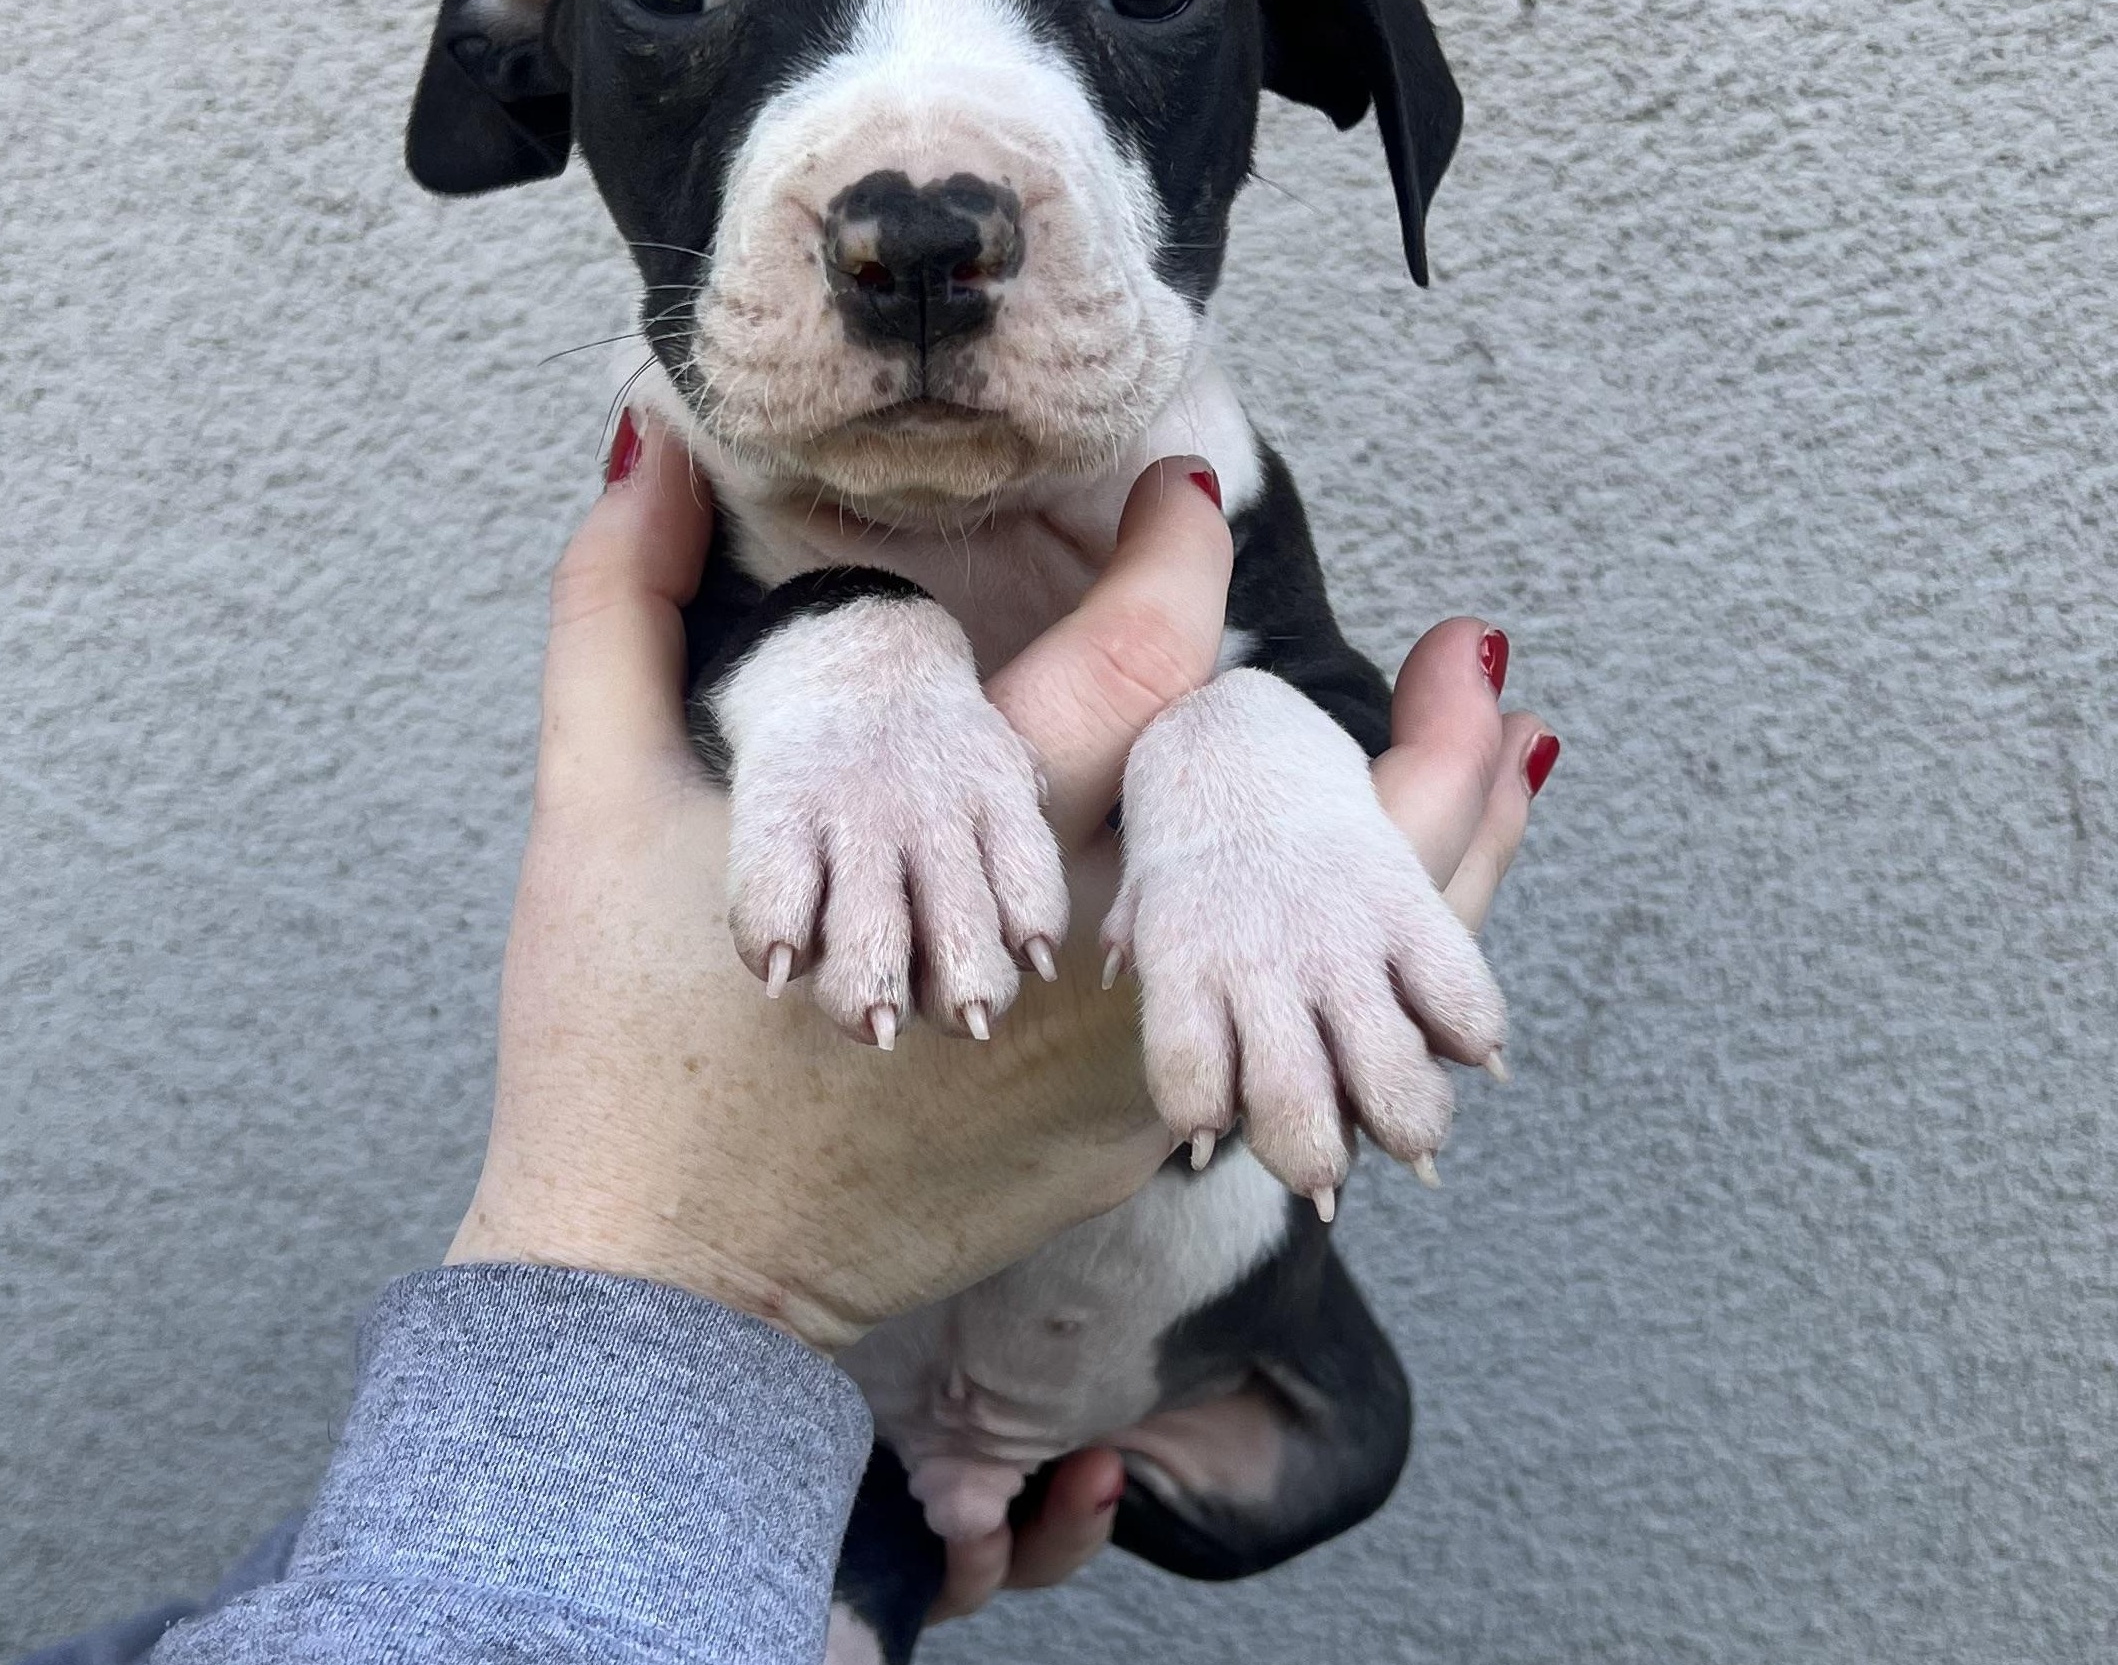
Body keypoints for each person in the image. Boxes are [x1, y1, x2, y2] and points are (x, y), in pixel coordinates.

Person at [28, 417, 1557, 1664]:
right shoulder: (753, 504)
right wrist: (840, 670)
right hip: (811, 1389)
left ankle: (841, 1563)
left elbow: (1309, 704)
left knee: (1337, 1449)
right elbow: (731, 693)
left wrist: (1260, 782)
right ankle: (839, 1589)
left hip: (1180, 1368)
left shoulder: (1212, 476)